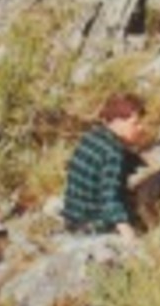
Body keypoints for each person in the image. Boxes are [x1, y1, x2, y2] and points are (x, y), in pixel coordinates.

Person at [62, 93, 148, 240]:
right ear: (118, 122)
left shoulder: (93, 134)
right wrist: (128, 234)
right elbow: (110, 198)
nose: (141, 128)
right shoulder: (114, 153)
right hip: (93, 223)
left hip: (72, 217)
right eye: (135, 123)